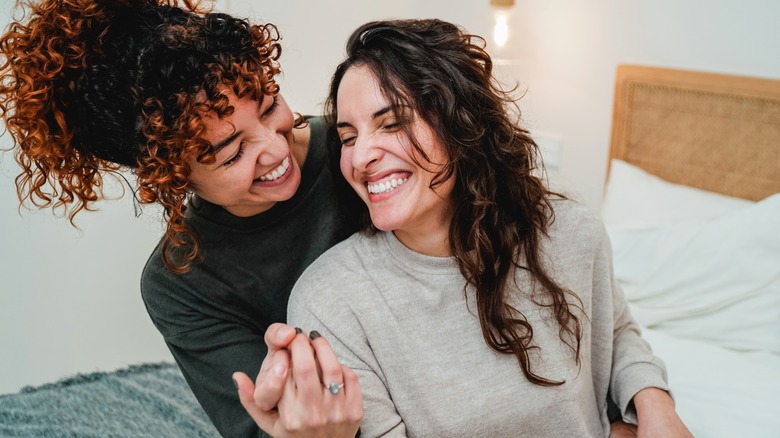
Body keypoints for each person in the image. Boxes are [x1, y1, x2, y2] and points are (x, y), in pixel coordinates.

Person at [284, 18, 693, 437]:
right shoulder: (330, 303)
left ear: (459, 124)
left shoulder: (568, 229)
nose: (361, 156)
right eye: (348, 137)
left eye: (392, 123)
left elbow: (616, 330)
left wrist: (653, 400)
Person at [0, 0, 362, 436]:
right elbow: (262, 427)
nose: (277, 148)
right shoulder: (181, 283)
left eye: (269, 107)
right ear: (172, 176)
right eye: (233, 152)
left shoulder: (360, 148)